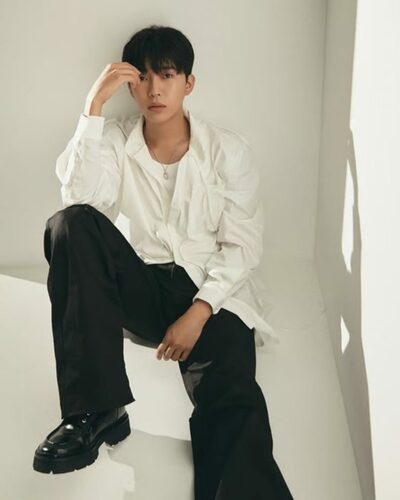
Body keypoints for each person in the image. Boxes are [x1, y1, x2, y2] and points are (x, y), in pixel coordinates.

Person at [32, 24, 294, 500]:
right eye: (144, 77)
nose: (155, 89)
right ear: (131, 86)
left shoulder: (226, 151)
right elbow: (79, 199)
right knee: (70, 223)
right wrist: (93, 106)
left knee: (231, 397)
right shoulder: (114, 140)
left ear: (188, 83)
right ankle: (95, 411)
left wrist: (199, 312)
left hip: (213, 295)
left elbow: (243, 246)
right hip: (144, 286)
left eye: (167, 76)